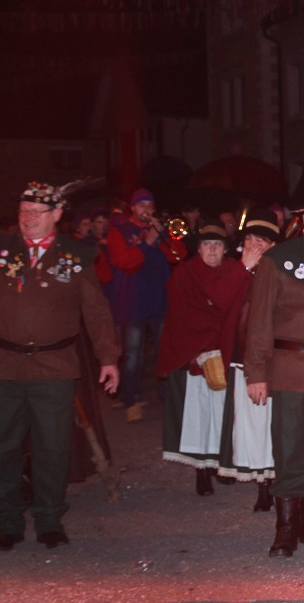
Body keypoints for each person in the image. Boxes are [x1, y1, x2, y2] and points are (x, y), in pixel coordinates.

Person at [0, 181, 120, 551]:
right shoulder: (4, 251)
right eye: (23, 212)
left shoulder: (76, 256)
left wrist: (109, 358)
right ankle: (7, 520)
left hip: (55, 367)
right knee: (3, 446)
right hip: (6, 365)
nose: (28, 220)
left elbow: (96, 313)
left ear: (56, 215)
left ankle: (49, 518)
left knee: (52, 447)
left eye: (36, 213)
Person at [244, 188, 304, 558]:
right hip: (291, 367)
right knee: (290, 445)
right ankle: (286, 526)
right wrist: (256, 371)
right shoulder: (278, 259)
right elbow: (259, 320)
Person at [159, 220, 250, 497]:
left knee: (224, 414)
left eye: (217, 245)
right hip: (196, 355)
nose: (212, 250)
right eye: (207, 245)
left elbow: (239, 310)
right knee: (199, 416)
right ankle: (202, 471)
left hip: (225, 353)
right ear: (198, 248)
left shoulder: (236, 272)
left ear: (225, 249)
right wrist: (199, 350)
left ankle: (223, 464)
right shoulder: (185, 274)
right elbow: (181, 316)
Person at [216, 210, 279, 514]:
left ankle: (277, 478)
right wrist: (243, 270)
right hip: (243, 358)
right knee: (252, 424)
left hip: (274, 359)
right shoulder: (234, 270)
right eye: (250, 239)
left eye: (261, 240)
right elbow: (220, 303)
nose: (254, 245)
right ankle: (261, 484)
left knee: (273, 425)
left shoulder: (280, 271)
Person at [106, 188, 186, 423]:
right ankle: (132, 399)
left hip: (160, 300)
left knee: (165, 352)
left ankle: (168, 397)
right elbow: (125, 263)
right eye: (142, 205)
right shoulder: (119, 231)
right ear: (133, 208)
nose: (147, 210)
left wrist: (166, 235)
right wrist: (146, 242)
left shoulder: (159, 230)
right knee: (132, 356)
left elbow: (178, 257)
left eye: (150, 206)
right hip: (132, 301)